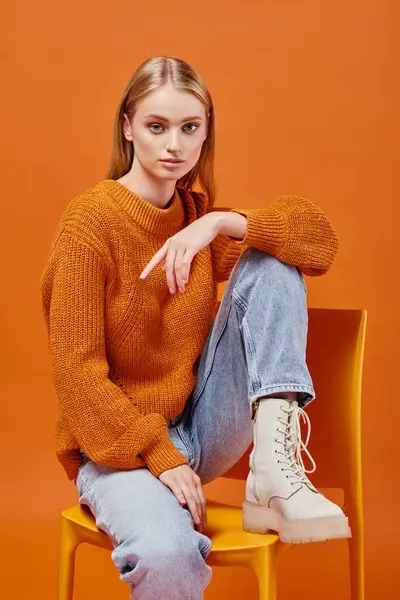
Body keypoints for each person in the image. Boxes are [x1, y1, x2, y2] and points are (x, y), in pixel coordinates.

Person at [40, 55, 350, 599]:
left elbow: (317, 244)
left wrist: (220, 222)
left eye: (190, 128)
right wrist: (160, 456)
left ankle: (274, 474)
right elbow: (78, 377)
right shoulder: (89, 223)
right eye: (157, 127)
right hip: (119, 451)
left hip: (201, 430)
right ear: (128, 127)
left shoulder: (196, 218)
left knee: (272, 259)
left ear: (206, 132)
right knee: (167, 556)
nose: (174, 146)